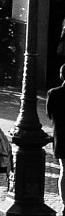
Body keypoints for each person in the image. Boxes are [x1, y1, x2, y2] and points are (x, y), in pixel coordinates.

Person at [47, 71, 65, 206]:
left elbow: (49, 114)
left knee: (64, 170)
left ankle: (64, 203)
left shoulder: (53, 93)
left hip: (61, 136)